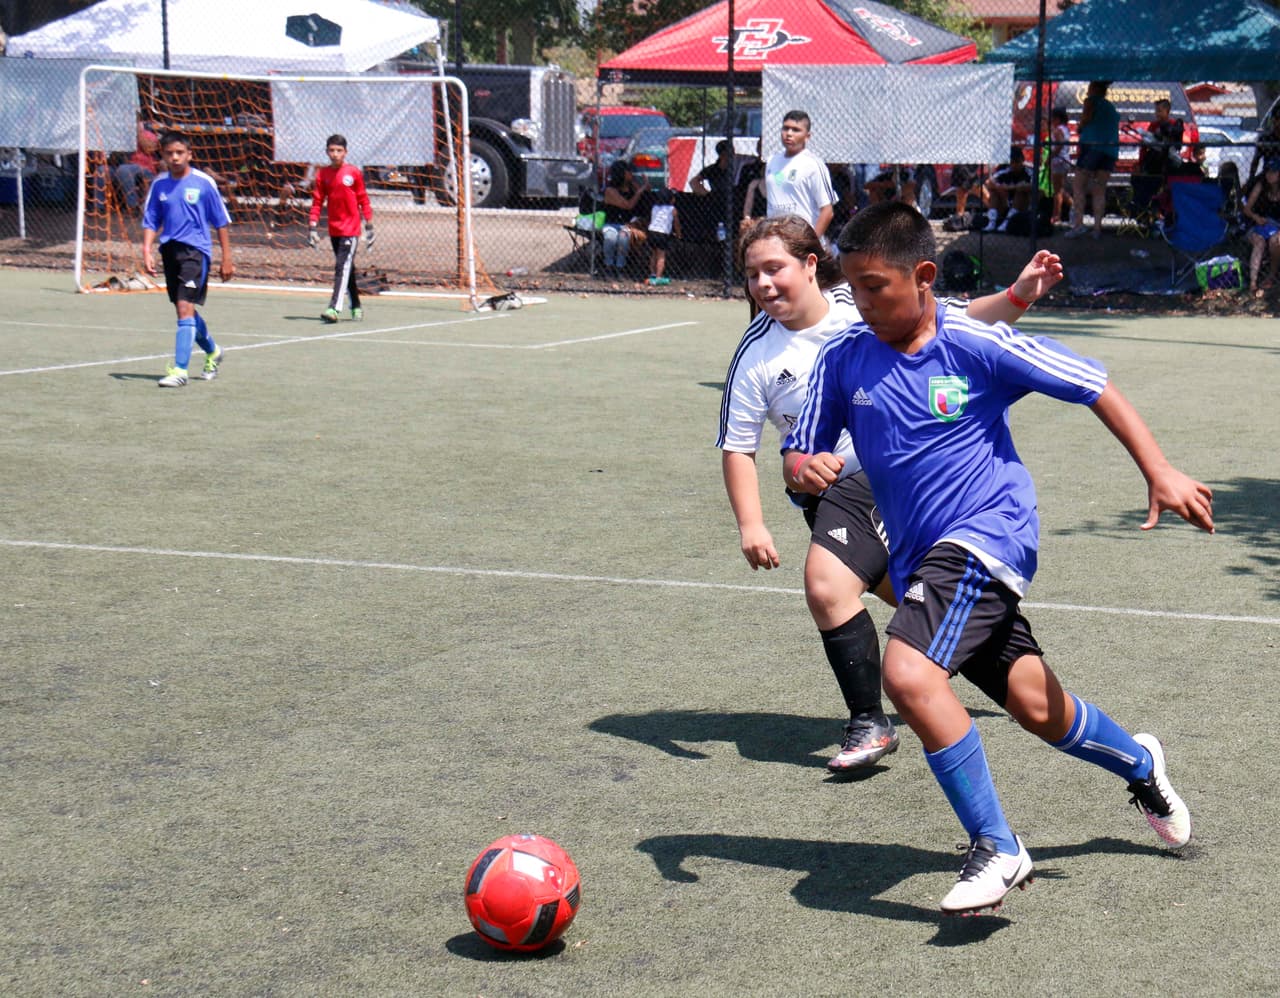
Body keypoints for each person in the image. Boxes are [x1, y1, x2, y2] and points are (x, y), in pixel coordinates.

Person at [782, 201, 1212, 914]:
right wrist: (804, 465)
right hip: (928, 561)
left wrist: (1159, 470)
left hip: (990, 535)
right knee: (1040, 708)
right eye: (851, 287)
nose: (861, 302)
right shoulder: (844, 355)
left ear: (924, 276)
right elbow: (804, 443)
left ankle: (996, 845)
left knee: (907, 672)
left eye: (874, 287)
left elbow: (1093, 384)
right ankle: (1140, 763)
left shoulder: (974, 341)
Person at [718, 213, 1063, 772]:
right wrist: (752, 523)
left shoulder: (864, 303)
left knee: (830, 587)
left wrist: (1017, 296)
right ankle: (992, 666)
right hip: (830, 496)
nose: (763, 284)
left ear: (810, 266)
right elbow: (739, 446)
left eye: (774, 268)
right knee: (913, 606)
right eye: (752, 274)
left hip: (894, 480)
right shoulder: (756, 354)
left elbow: (958, 322)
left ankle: (869, 723)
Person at [141, 131, 232, 389]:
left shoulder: (204, 183)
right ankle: (213, 351)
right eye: (170, 153)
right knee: (185, 309)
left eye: (180, 152)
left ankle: (179, 370)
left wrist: (227, 258)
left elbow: (221, 222)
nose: (175, 157)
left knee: (184, 307)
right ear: (163, 155)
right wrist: (147, 250)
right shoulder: (159, 185)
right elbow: (151, 220)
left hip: (196, 252)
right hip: (169, 251)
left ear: (189, 154)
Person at [308, 134, 373, 323]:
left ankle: (334, 308)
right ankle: (356, 306)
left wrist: (369, 224)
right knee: (347, 268)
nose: (335, 154)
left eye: (339, 151)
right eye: (331, 150)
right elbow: (317, 202)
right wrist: (312, 226)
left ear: (346, 152)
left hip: (351, 230)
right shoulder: (323, 174)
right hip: (334, 229)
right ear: (327, 151)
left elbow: (363, 199)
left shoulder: (353, 173)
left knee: (341, 267)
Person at [764, 110, 835, 240]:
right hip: (776, 241)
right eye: (786, 128)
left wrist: (810, 243)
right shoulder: (771, 161)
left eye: (796, 130)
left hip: (801, 242)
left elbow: (827, 211)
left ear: (807, 136)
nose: (789, 134)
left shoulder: (813, 164)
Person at [1066, 81, 1120, 240]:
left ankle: (1078, 225)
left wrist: (1080, 127)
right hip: (1109, 150)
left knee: (1078, 185)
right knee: (1099, 188)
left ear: (1094, 89)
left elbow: (1086, 118)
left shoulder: (1091, 101)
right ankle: (1097, 228)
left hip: (1092, 147)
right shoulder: (1110, 107)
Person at [602, 159, 647, 276]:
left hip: (627, 224)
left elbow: (646, 194)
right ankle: (608, 265)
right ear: (621, 173)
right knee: (610, 237)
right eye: (629, 172)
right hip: (611, 223)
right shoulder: (610, 190)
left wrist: (644, 185)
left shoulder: (632, 186)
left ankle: (620, 267)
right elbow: (627, 205)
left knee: (623, 237)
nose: (631, 174)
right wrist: (639, 192)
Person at [1243, 156, 1280, 298]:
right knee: (1259, 242)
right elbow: (1246, 209)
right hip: (1258, 226)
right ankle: (1253, 283)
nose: (1270, 175)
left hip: (1276, 228)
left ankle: (1271, 276)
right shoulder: (1260, 185)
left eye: (1274, 172)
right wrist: (1256, 218)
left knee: (1275, 241)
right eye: (1268, 171)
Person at [982, 147, 1034, 232]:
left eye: (1017, 162)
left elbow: (1035, 185)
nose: (1014, 165)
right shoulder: (1004, 169)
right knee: (994, 193)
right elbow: (988, 183)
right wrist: (1000, 188)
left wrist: (1013, 187)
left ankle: (1008, 223)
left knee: (1021, 193)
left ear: (1022, 160)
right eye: (1012, 162)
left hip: (1023, 207)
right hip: (1006, 203)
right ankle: (991, 223)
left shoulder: (1029, 170)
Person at [1136, 98, 1185, 178]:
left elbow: (1177, 145)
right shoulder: (1154, 125)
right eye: (1156, 111)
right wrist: (1141, 162)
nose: (1157, 114)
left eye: (1159, 111)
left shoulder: (1174, 125)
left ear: (1167, 111)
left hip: (1169, 159)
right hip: (1154, 159)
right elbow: (1145, 145)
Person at [115, 124, 159, 211]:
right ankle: (99, 208)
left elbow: (150, 149)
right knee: (102, 170)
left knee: (124, 170)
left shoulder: (147, 134)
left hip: (144, 167)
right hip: (120, 165)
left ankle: (133, 206)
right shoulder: (117, 136)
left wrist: (138, 135)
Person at [646, 186, 680, 286]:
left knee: (653, 254)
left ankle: (652, 273)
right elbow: (676, 223)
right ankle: (658, 276)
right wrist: (678, 233)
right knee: (661, 256)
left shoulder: (655, 207)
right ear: (671, 199)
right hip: (662, 234)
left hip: (652, 232)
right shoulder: (672, 209)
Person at [1048, 109, 1073, 224]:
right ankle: (1075, 206)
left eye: (1052, 118)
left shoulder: (1058, 130)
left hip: (1058, 161)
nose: (1051, 121)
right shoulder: (1066, 129)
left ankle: (1056, 216)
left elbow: (1059, 144)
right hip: (1065, 160)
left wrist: (1050, 157)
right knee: (1060, 188)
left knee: (1057, 190)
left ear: (1057, 119)